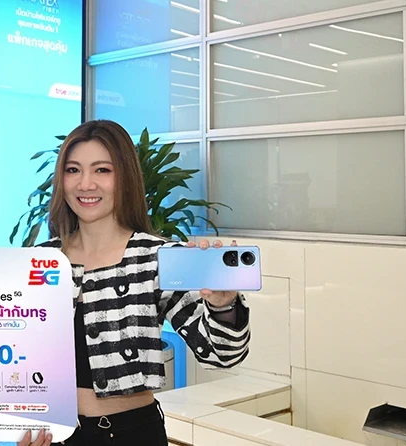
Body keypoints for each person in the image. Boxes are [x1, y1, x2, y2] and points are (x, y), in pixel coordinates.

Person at [18, 120, 251, 446]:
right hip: (54, 436)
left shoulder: (156, 257)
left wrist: (223, 304)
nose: (85, 184)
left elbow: (221, 354)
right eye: (73, 170)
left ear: (125, 177)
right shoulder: (39, 260)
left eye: (102, 170)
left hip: (132, 434)